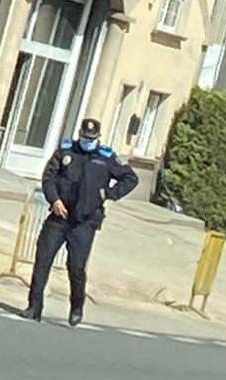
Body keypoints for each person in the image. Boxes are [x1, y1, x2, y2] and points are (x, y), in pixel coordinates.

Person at [22, 115, 139, 326]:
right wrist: (54, 199)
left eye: (92, 137)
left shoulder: (105, 158)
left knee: (75, 267)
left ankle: (77, 306)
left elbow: (130, 178)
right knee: (43, 260)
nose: (88, 140)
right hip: (60, 216)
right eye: (86, 136)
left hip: (85, 222)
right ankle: (34, 307)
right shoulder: (66, 151)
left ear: (98, 137)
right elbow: (49, 177)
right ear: (80, 135)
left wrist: (110, 194)